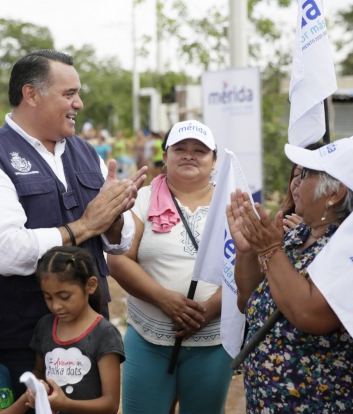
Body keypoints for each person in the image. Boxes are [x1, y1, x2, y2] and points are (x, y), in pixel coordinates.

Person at [0, 49, 146, 395]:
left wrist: (115, 216)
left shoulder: (85, 152)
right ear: (31, 95)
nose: (80, 104)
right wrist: (85, 226)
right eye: (69, 94)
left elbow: (120, 240)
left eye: (78, 93)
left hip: (90, 336)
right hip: (21, 345)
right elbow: (5, 252)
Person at [228, 137, 353, 412]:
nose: (295, 182)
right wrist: (247, 250)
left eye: (305, 174)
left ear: (335, 192)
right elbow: (247, 299)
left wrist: (269, 249)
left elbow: (310, 314)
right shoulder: (296, 235)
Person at [107, 120, 234, 414]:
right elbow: (118, 259)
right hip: (147, 340)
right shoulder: (140, 199)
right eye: (180, 149)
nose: (189, 155)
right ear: (164, 157)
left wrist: (210, 309)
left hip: (214, 343)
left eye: (199, 150)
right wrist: (164, 299)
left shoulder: (233, 203)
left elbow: (249, 270)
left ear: (214, 161)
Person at [31, 246, 124, 414]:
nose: (56, 306)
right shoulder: (44, 326)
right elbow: (39, 371)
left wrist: (67, 404)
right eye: (48, 297)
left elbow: (110, 404)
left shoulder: (104, 334)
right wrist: (36, 389)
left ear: (90, 285)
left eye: (64, 297)